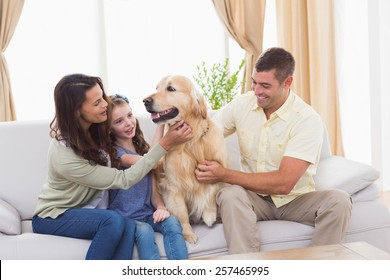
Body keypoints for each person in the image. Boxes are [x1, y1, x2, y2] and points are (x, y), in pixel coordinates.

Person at [195, 47, 352, 254]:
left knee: (339, 201)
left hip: (295, 199)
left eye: (265, 85)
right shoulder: (242, 105)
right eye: (254, 82)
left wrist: (223, 174)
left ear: (287, 83)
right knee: (231, 194)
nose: (257, 91)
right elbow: (205, 134)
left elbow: (284, 184)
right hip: (252, 198)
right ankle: (248, 269)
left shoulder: (307, 120)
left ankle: (318, 269)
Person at [32, 74, 192, 260]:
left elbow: (146, 160)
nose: (105, 105)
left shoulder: (94, 129)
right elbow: (123, 179)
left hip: (90, 212)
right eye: (97, 103)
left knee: (125, 224)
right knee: (114, 220)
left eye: (103, 97)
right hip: (54, 215)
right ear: (77, 111)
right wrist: (166, 143)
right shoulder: (65, 156)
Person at [108, 94, 188, 260]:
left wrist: (160, 207)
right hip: (126, 218)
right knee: (144, 231)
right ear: (109, 128)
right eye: (119, 121)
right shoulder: (117, 154)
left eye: (130, 115)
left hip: (148, 214)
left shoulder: (142, 149)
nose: (129, 123)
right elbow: (151, 161)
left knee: (172, 222)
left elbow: (153, 189)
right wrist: (166, 139)